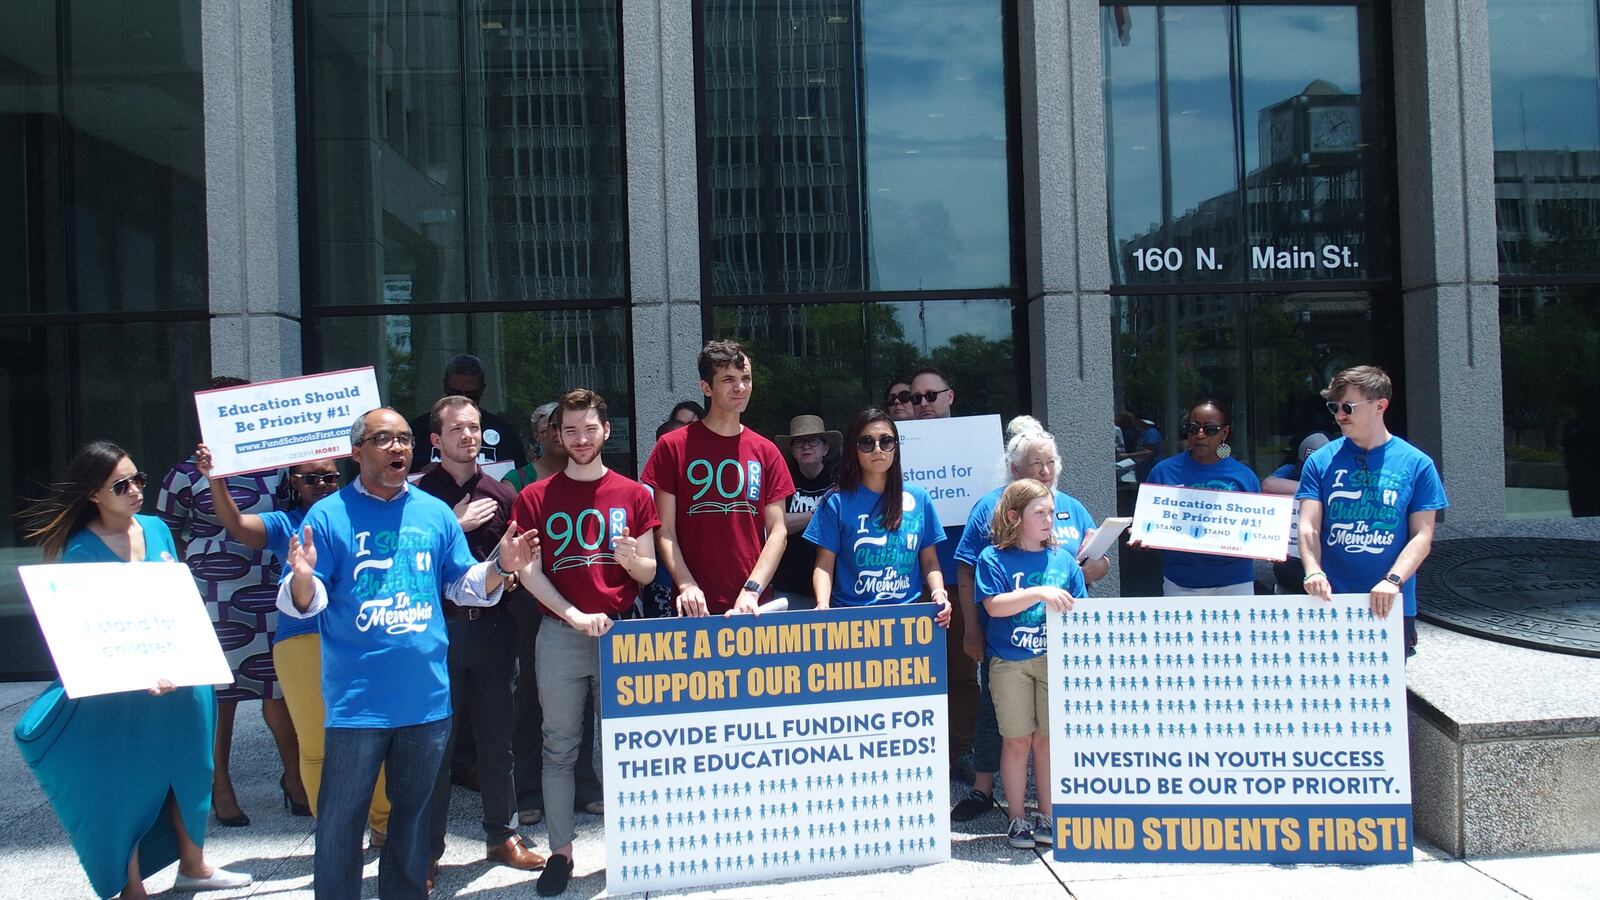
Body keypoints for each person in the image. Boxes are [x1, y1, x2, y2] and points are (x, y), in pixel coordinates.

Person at [277, 407, 537, 899]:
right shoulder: (328, 515)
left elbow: (462, 585)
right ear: (357, 453)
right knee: (340, 822)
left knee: (414, 820)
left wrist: (500, 566)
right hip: (359, 700)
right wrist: (305, 579)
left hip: (426, 697)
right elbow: (303, 602)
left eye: (403, 440)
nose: (397, 448)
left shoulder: (433, 512)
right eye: (382, 439)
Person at [15, 441, 251, 899]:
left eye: (138, 479)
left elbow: (173, 601)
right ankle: (130, 886)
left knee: (191, 767)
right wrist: (137, 673)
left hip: (181, 678)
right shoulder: (79, 551)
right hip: (121, 689)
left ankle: (194, 864)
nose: (135, 490)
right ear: (94, 495)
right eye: (120, 484)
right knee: (126, 785)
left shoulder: (158, 529)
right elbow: (85, 630)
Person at [191, 445, 392, 847]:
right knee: (316, 746)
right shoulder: (287, 522)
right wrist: (215, 480)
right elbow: (236, 525)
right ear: (293, 483)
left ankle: (384, 826)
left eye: (329, 477)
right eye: (310, 477)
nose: (321, 485)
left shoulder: (362, 512)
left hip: (361, 639)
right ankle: (336, 838)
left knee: (374, 737)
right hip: (301, 641)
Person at [511, 389, 659, 895]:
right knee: (559, 747)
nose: (579, 439)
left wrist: (629, 562)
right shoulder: (535, 497)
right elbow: (527, 570)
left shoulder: (634, 494)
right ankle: (560, 852)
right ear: (558, 436)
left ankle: (628, 850)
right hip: (560, 635)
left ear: (606, 431)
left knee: (623, 747)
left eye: (588, 428)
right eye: (569, 430)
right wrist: (573, 614)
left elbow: (648, 570)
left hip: (621, 636)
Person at [157, 375, 303, 826]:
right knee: (221, 693)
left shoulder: (276, 468)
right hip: (214, 595)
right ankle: (219, 782)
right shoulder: (184, 474)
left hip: (269, 583)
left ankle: (294, 776)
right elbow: (165, 529)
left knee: (277, 687)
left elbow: (296, 515)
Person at [950, 420, 1111, 822]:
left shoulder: (1070, 506)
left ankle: (1052, 804)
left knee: (1049, 728)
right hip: (1006, 636)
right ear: (1015, 468)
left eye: (1050, 462)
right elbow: (967, 570)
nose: (1045, 470)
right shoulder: (991, 506)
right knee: (999, 714)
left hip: (1057, 639)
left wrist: (1076, 573)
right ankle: (985, 789)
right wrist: (971, 628)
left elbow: (1100, 563)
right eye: (1035, 463)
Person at [415, 397, 544, 873]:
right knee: (435, 746)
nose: (469, 437)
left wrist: (509, 575)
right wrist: (456, 523)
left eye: (474, 429)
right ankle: (426, 851)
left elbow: (523, 563)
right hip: (436, 634)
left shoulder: (504, 494)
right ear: (436, 440)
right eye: (457, 430)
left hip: (492, 631)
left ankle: (503, 836)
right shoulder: (417, 498)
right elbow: (408, 568)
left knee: (497, 742)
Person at [1298, 366, 1448, 658]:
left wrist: (1393, 581)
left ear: (1380, 406)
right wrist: (1313, 571)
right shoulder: (1320, 461)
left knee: (1384, 699)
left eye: (1348, 407)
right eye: (1334, 407)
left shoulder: (1417, 463)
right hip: (1328, 600)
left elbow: (1422, 535)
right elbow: (1309, 526)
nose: (1340, 415)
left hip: (1390, 602)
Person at [642, 340, 794, 616]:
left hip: (752, 606)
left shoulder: (766, 450)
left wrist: (752, 589)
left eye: (745, 378)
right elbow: (664, 530)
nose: (740, 387)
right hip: (692, 607)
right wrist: (686, 585)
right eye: (728, 379)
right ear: (706, 387)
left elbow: (778, 532)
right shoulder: (673, 446)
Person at [973, 478, 1084, 849]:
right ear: (1014, 516)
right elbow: (994, 605)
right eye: (1040, 512)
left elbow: (1081, 609)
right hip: (1010, 663)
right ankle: (1017, 817)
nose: (1049, 519)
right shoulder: (992, 558)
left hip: (1053, 660)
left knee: (1047, 741)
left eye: (1052, 512)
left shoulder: (1064, 560)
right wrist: (1038, 592)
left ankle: (1048, 814)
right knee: (1017, 740)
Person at [802, 408, 950, 623]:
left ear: (895, 448)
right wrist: (822, 605)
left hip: (909, 620)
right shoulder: (835, 501)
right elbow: (824, 565)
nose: (877, 449)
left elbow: (930, 560)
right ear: (854, 449)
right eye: (867, 442)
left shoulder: (920, 498)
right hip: (851, 619)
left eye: (886, 441)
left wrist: (939, 593)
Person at [904, 365, 979, 783]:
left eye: (931, 395)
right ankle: (919, 748)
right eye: (916, 398)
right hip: (908, 577)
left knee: (961, 670)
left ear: (951, 397)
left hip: (961, 575)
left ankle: (961, 749)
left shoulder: (976, 445)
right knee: (914, 669)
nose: (923, 404)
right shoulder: (897, 445)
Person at [1141, 399, 1262, 596]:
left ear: (1224, 433)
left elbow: (1259, 525)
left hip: (1234, 582)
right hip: (1180, 582)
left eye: (1210, 429)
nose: (1200, 435)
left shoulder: (1244, 476)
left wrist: (1270, 546)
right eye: (1192, 427)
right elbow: (1147, 521)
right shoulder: (1163, 472)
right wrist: (1142, 534)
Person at [407, 354, 528, 472]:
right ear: (445, 386)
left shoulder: (504, 433)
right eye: (455, 394)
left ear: (482, 389)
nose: (462, 401)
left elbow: (520, 477)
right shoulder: (418, 430)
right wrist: (421, 475)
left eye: (471, 395)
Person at [771, 414, 841, 600]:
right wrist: (818, 513)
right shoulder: (782, 480)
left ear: (826, 447)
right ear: (792, 451)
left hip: (834, 585)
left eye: (813, 441)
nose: (806, 446)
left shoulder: (840, 481)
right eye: (799, 443)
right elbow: (775, 525)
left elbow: (845, 524)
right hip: (788, 584)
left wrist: (797, 519)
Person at [1264, 432, 1330, 593]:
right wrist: (1311, 490)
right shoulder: (1290, 469)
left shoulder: (1337, 473)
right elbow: (1268, 484)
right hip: (1293, 557)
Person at [504, 402, 561, 491]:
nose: (555, 434)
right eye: (545, 431)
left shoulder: (586, 473)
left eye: (558, 427)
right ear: (536, 436)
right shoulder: (516, 481)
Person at [1117, 411, 1163, 482]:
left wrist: (1128, 455)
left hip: (1150, 470)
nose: (1133, 423)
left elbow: (1149, 452)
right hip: (1143, 472)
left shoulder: (1151, 433)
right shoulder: (1143, 433)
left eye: (1134, 421)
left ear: (1140, 422)